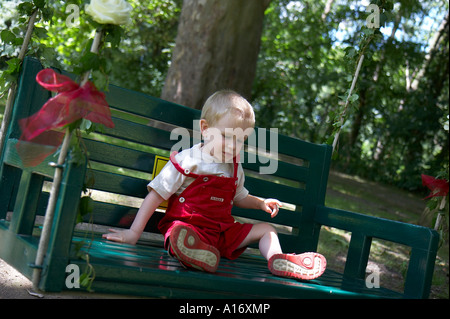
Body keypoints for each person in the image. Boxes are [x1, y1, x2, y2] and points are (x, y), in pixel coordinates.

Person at [103, 90, 326, 280]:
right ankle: (195, 252)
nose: (233, 146)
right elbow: (156, 195)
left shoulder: (234, 167)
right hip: (189, 228)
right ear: (205, 128)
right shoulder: (187, 161)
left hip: (222, 232)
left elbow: (239, 197)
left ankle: (278, 259)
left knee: (267, 229)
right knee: (177, 234)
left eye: (240, 140)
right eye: (226, 136)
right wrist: (134, 233)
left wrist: (260, 203)